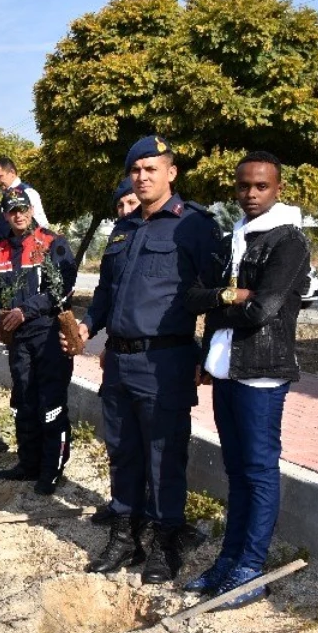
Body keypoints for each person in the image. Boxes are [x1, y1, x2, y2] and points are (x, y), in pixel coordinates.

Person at [66, 135, 221, 584]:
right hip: (118, 360)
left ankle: (165, 541)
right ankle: (124, 534)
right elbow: (107, 292)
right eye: (136, 170)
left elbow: (213, 297)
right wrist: (86, 326)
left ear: (171, 172)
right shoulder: (125, 227)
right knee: (122, 450)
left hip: (166, 361)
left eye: (152, 169)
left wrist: (208, 354)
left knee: (163, 454)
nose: (143, 176)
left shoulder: (195, 226)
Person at [184, 151, 310, 607]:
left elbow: (262, 310)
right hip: (227, 371)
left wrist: (224, 302)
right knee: (237, 472)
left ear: (277, 189)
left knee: (258, 472)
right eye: (243, 187)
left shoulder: (288, 241)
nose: (251, 194)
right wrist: (227, 298)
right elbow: (194, 298)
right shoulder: (236, 235)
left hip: (261, 373)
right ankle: (229, 559)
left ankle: (251, 569)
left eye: (261, 187)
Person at [0, 189, 78, 496]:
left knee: (50, 404)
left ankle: (51, 470)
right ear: (5, 215)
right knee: (23, 400)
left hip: (48, 334)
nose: (18, 215)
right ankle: (28, 463)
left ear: (31, 209)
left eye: (22, 209)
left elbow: (64, 287)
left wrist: (25, 310)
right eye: (12, 211)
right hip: (18, 340)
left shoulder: (52, 242)